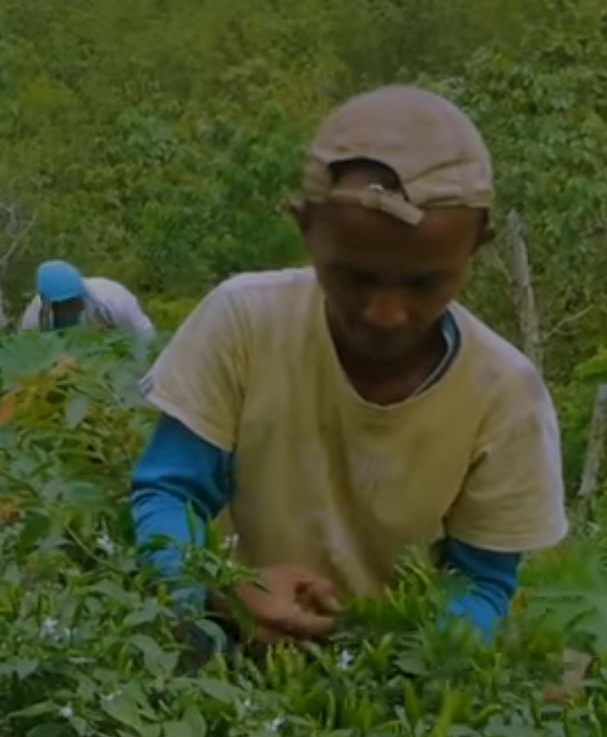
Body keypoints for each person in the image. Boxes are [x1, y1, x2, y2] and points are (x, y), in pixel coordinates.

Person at [131, 85, 567, 645]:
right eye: (355, 276)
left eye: (423, 282)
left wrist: (403, 667)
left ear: (475, 246)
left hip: (388, 691)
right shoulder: (245, 321)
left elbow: (479, 585)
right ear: (306, 230)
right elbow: (171, 492)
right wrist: (216, 586)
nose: (385, 314)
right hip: (223, 651)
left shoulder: (506, 397)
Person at [20, 260, 154, 340]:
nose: (67, 310)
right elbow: (27, 350)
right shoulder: (34, 318)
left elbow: (143, 334)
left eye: (71, 303)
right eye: (60, 307)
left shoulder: (113, 298)